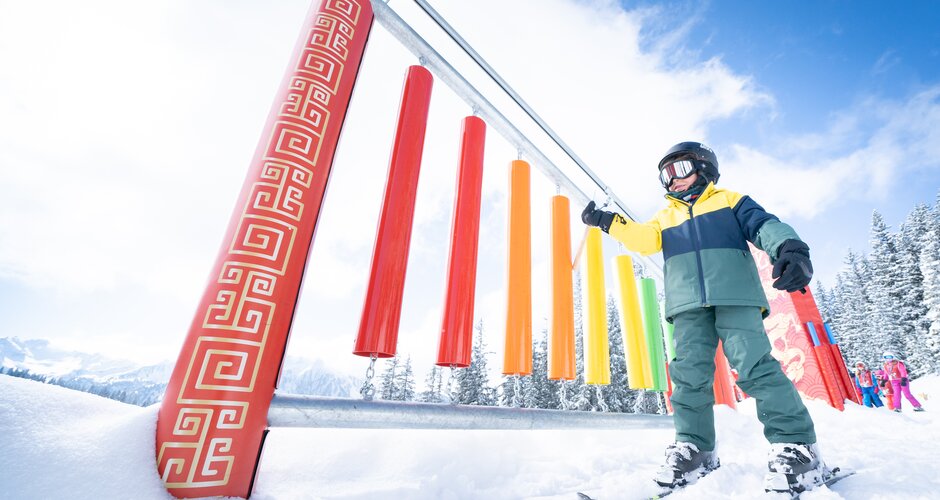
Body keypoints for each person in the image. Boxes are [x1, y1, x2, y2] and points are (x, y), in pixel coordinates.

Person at [582, 141, 826, 495]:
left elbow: (764, 226)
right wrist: (608, 222)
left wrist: (790, 248)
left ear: (704, 167)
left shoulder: (729, 201)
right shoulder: (665, 217)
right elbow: (644, 239)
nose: (673, 180)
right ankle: (695, 449)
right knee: (688, 376)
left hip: (735, 294)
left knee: (754, 366)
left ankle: (796, 445)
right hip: (686, 305)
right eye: (666, 175)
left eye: (679, 169)